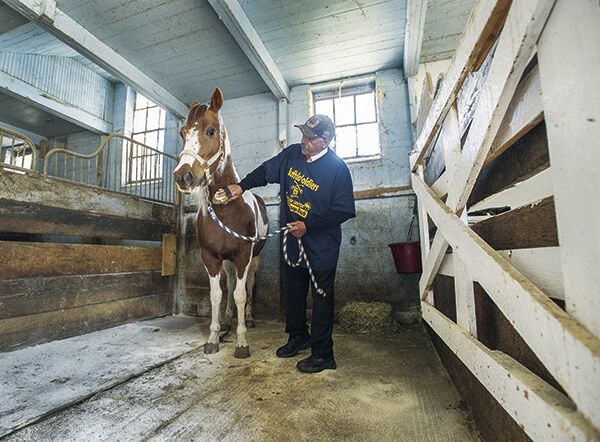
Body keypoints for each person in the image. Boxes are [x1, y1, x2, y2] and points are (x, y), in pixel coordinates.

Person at [215, 114, 356, 373]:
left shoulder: (337, 169)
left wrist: (309, 225)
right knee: (293, 294)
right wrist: (241, 186)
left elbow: (344, 210)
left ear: (325, 141)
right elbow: (266, 171)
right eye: (302, 135)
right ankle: (298, 336)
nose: (303, 141)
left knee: (322, 299)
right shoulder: (292, 155)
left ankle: (324, 354)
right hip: (293, 244)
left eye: (310, 138)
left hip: (321, 247)